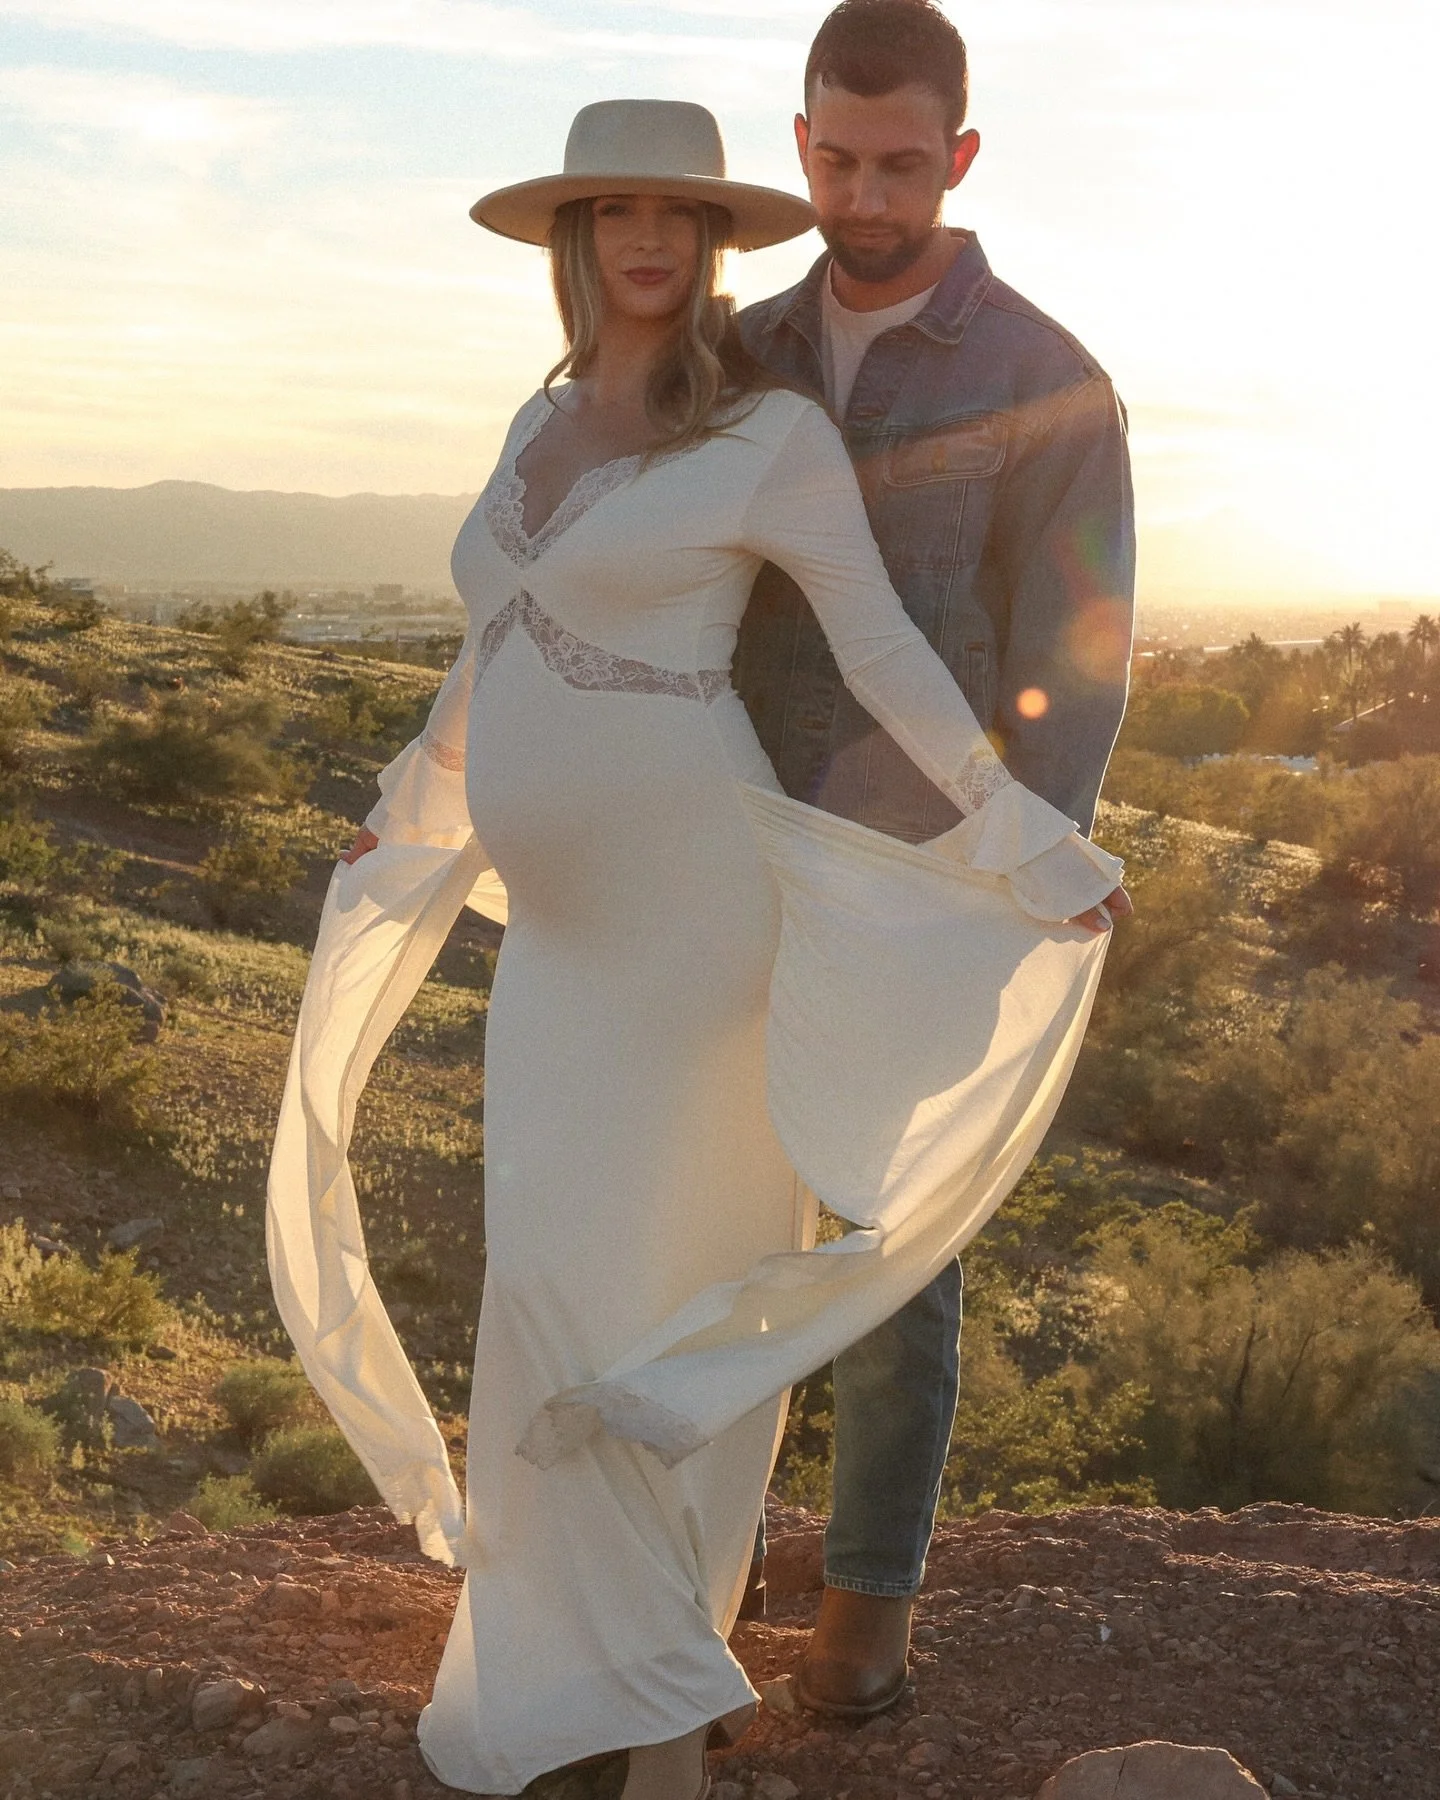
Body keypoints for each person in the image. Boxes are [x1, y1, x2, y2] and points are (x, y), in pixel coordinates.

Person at [266, 97, 1126, 1800]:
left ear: (720, 239)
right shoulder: (536, 421)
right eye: (614, 213)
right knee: (543, 1286)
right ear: (574, 239)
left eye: (682, 214)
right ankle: (559, 1681)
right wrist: (409, 803)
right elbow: (491, 643)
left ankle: (660, 1720)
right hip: (565, 945)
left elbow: (882, 647)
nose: (649, 242)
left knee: (670, 1296)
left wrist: (1019, 823)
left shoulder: (766, 433)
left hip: (694, 929)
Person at [733, 0, 1136, 1718]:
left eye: (905, 163)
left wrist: (1009, 868)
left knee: (894, 1240)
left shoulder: (1047, 377)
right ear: (803, 138)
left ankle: (871, 1603)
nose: (868, 192)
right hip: (729, 843)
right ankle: (698, 1552)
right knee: (713, 1211)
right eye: (837, 156)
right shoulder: (738, 353)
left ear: (959, 157)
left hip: (916, 870)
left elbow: (1085, 646)